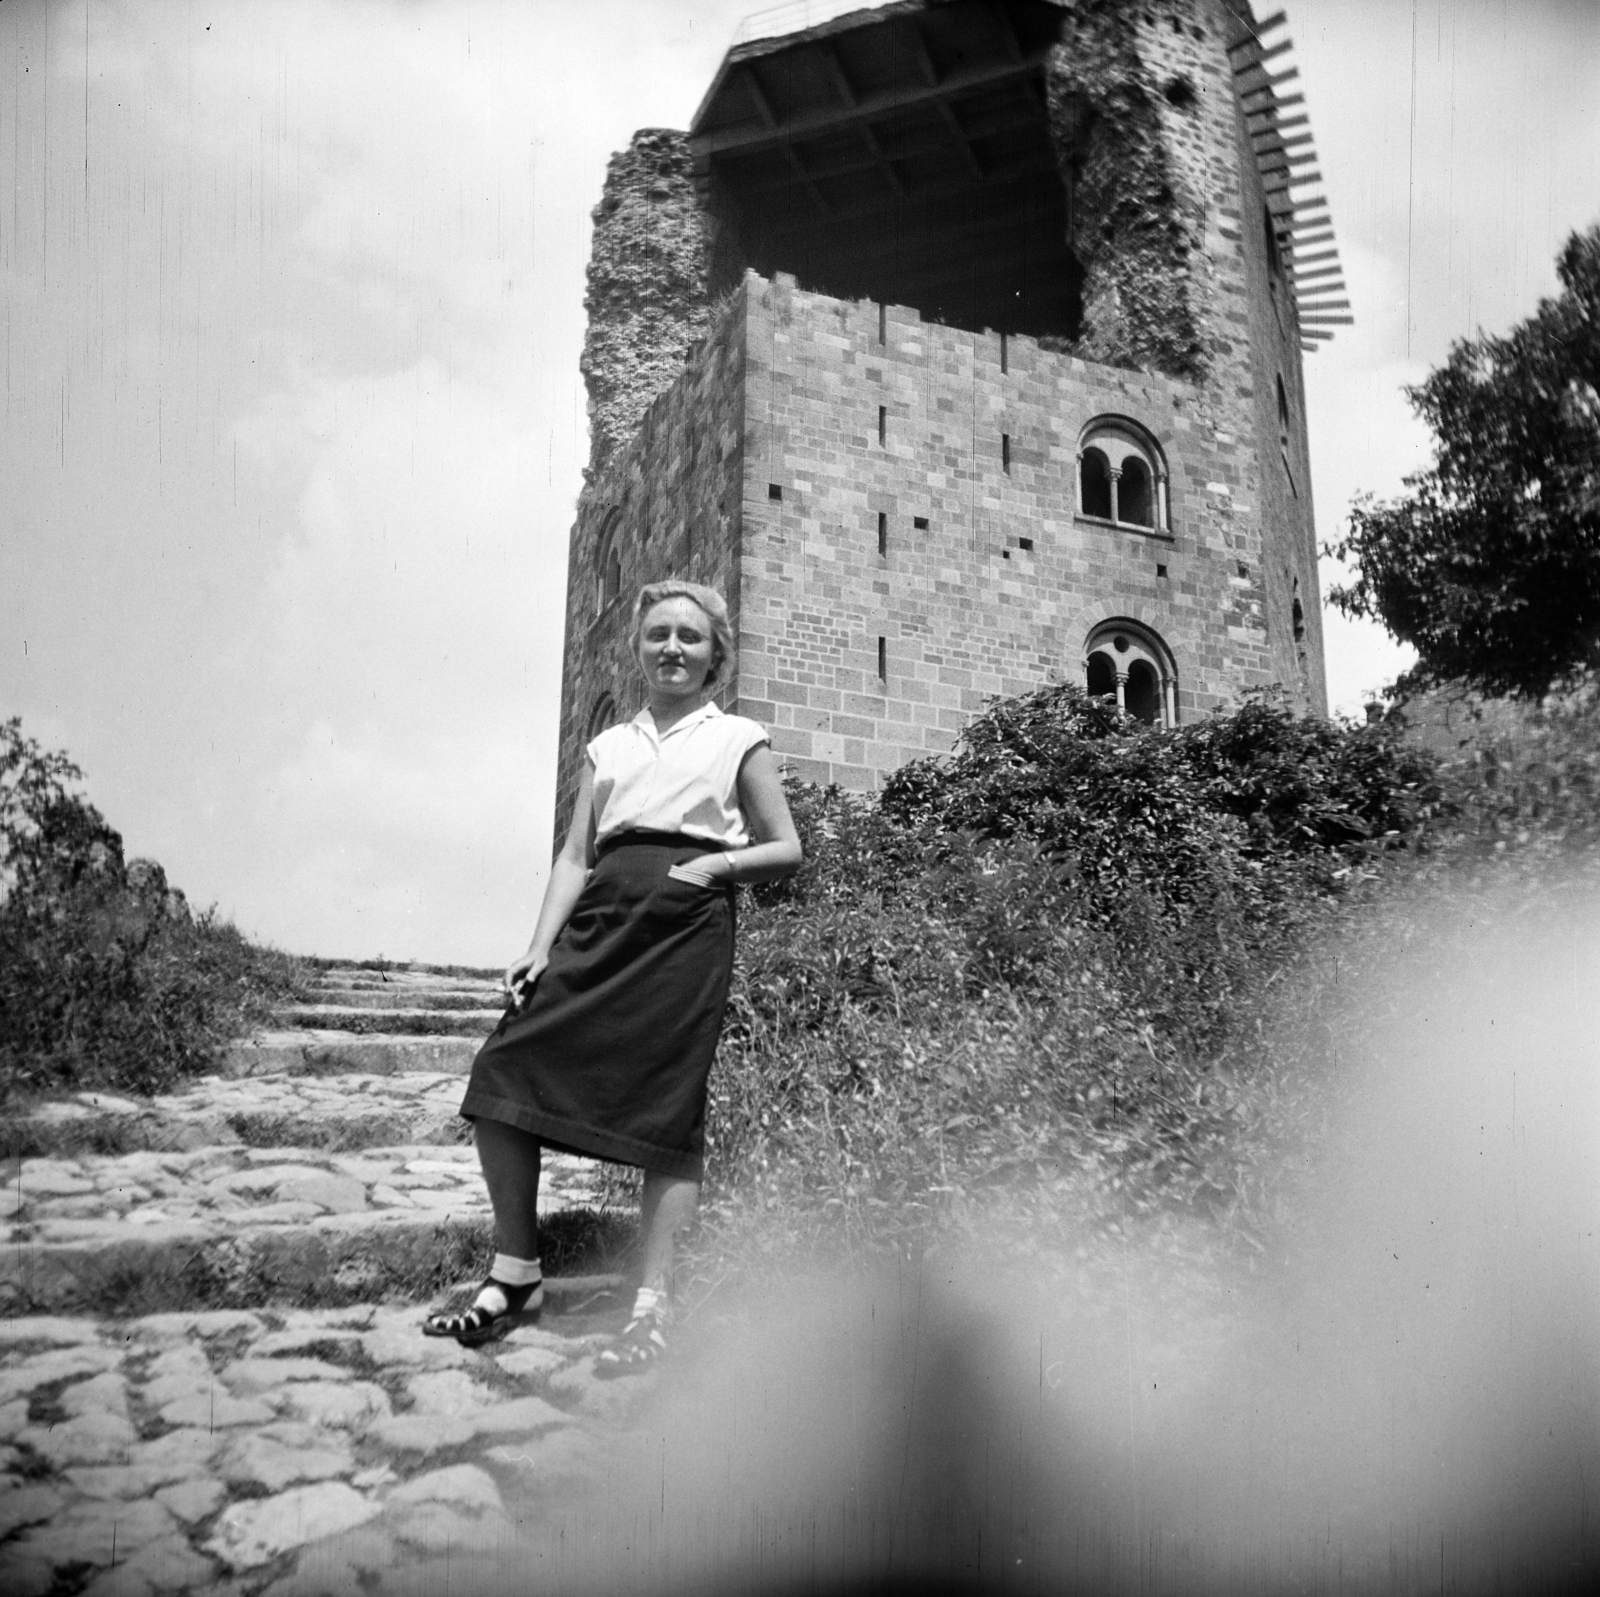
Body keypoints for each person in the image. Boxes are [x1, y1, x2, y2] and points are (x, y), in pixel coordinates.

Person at [424, 580, 802, 1373]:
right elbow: (573, 856)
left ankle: (652, 1305)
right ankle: (515, 1273)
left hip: (685, 932)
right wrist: (538, 945)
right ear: (639, 649)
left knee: (668, 1113)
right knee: (503, 1069)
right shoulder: (611, 746)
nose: (672, 647)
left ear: (715, 656)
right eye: (658, 633)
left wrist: (710, 869)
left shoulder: (738, 737)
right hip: (601, 921)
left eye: (689, 638)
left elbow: (785, 847)